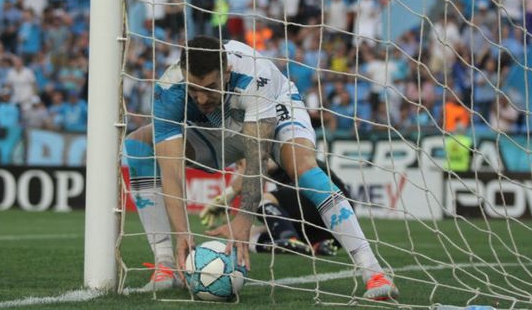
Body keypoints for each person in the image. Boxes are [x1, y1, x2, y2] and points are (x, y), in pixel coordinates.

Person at [123, 36, 398, 299]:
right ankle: (165, 266)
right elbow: (171, 171)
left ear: (227, 72)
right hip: (215, 130)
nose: (202, 98)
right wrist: (182, 233)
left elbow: (257, 160)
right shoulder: (169, 90)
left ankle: (373, 272)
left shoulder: (255, 74)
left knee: (303, 166)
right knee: (138, 144)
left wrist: (243, 221)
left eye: (209, 88)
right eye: (194, 90)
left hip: (273, 112)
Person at [200, 159, 349, 257]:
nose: (238, 170)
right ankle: (313, 246)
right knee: (246, 235)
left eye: (239, 165)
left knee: (257, 200)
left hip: (324, 196)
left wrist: (226, 195)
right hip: (332, 227)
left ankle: (288, 237)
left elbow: (258, 166)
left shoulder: (268, 148)